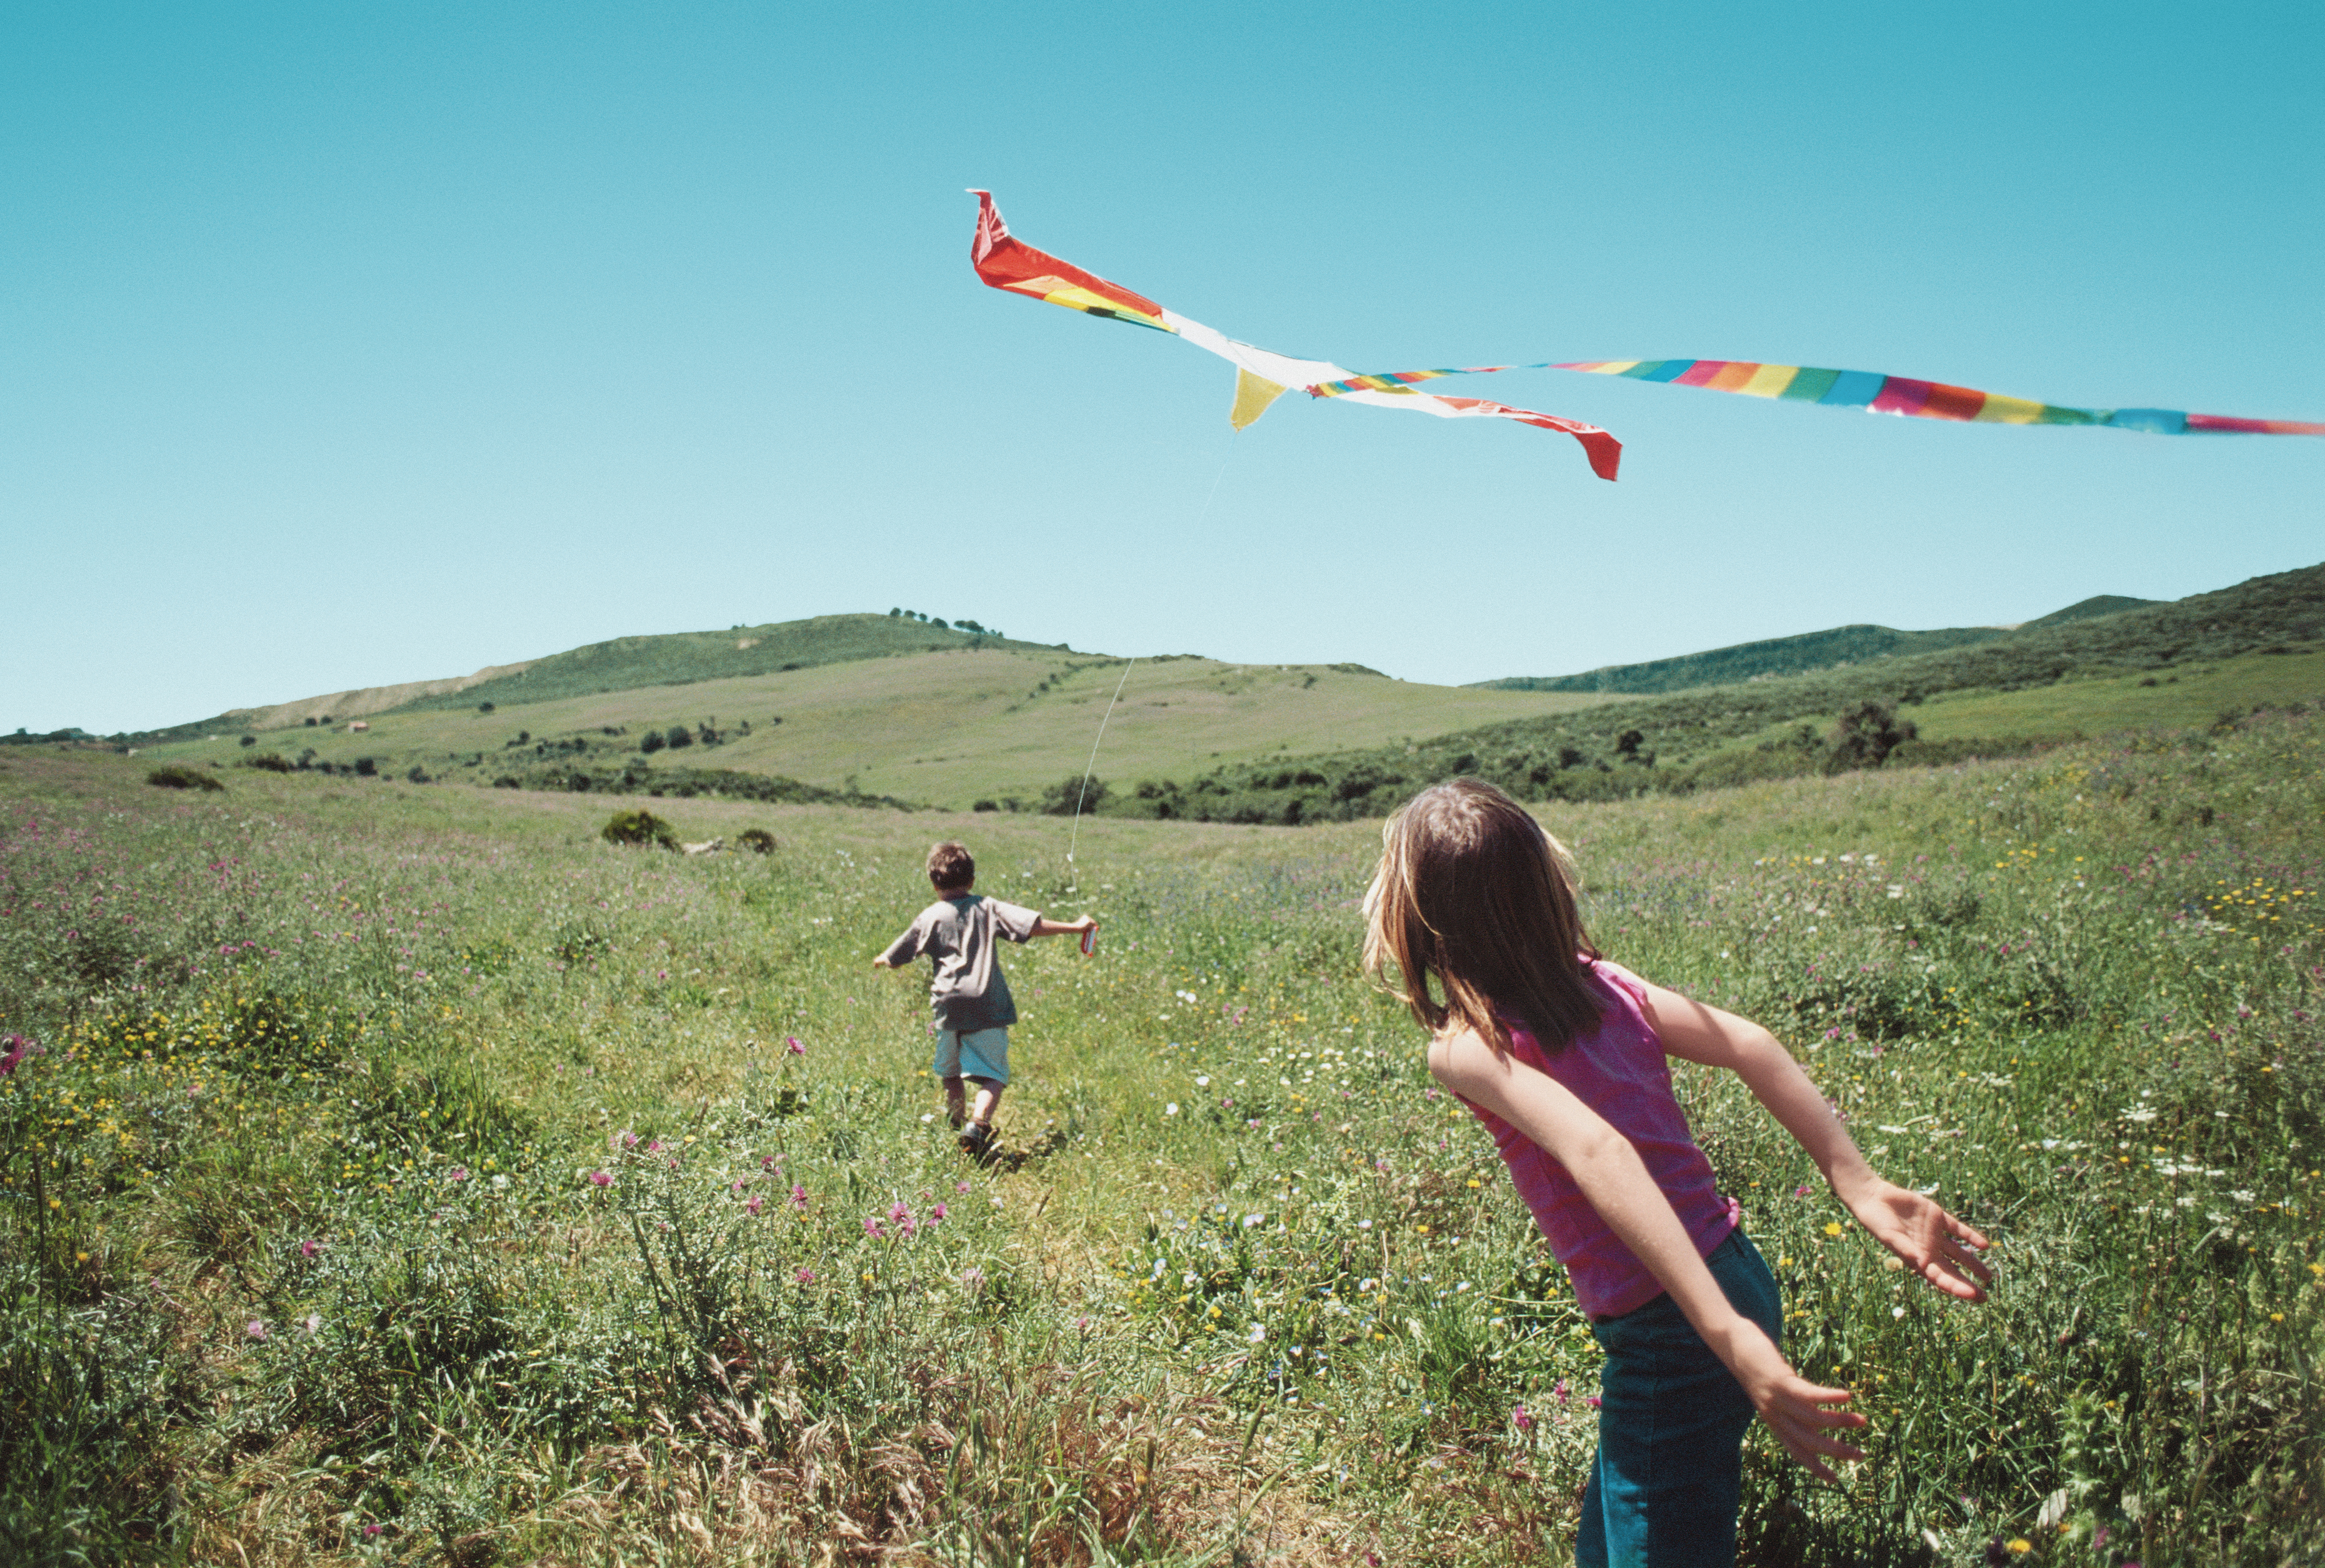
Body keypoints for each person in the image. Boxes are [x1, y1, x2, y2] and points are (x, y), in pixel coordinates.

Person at [1363, 780, 1991, 1565]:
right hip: (1729, 1276)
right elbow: (1751, 1043)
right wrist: (1854, 1181)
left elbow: (1597, 1150)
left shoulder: (1465, 1048)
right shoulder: (1607, 983)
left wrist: (1720, 1334)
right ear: (1542, 888)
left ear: (1415, 919)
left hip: (1677, 1323)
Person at [872, 840, 1095, 1156]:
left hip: (947, 1004)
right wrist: (1076, 927)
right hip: (987, 1004)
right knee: (992, 1074)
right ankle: (978, 1125)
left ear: (933, 881)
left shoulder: (931, 915)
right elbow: (1032, 926)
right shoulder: (986, 907)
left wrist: (884, 959)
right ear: (972, 880)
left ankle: (956, 1126)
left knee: (950, 1072)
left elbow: (901, 951)